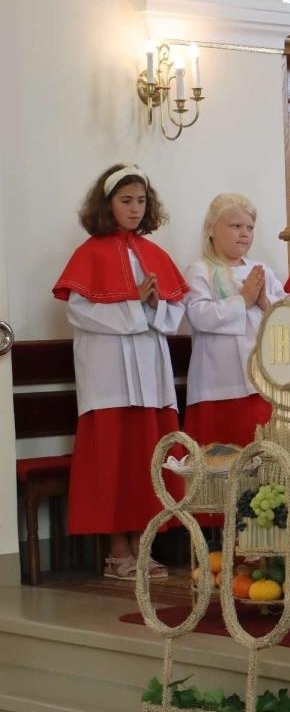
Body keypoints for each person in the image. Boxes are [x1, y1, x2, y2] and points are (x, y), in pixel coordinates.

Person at [52, 164, 187, 581]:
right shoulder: (89, 253)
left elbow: (175, 312)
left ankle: (143, 547)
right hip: (108, 376)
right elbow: (80, 310)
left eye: (140, 201)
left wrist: (150, 306)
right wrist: (132, 304)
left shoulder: (154, 254)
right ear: (106, 204)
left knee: (145, 460)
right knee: (113, 462)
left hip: (149, 374)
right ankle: (116, 552)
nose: (134, 208)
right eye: (125, 200)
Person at [183, 192, 288, 449]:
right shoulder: (200, 270)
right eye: (235, 226)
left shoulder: (261, 270)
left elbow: (288, 313)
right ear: (211, 228)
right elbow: (198, 316)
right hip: (217, 384)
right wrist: (243, 301)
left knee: (262, 455)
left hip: (261, 381)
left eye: (250, 228)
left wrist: (264, 302)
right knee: (220, 460)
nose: (244, 233)